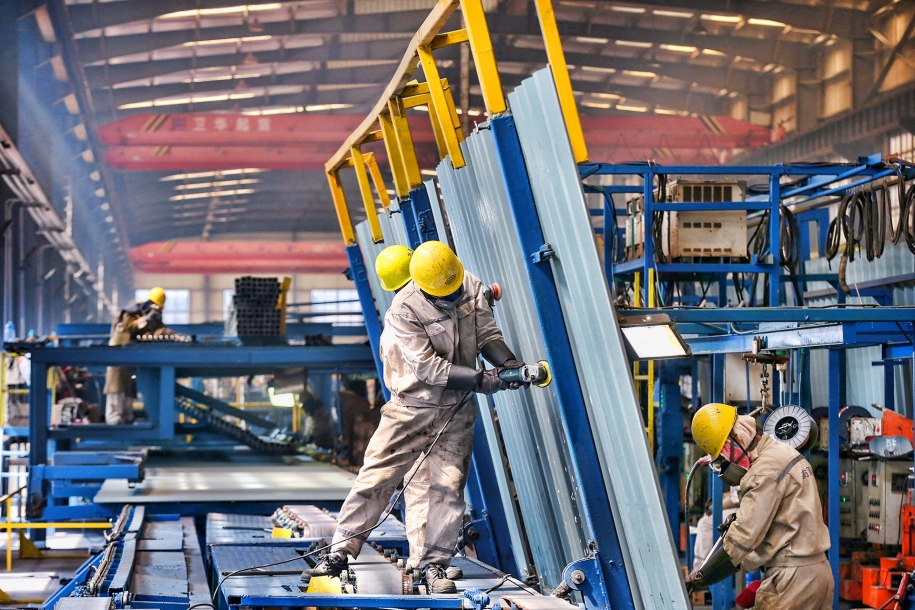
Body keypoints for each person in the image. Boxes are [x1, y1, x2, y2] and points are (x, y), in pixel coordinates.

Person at [302, 241, 526, 593]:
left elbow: (487, 334)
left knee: (447, 488)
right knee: (378, 476)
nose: (453, 298)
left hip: (456, 410)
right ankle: (340, 551)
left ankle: (433, 566)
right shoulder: (404, 309)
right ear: (421, 285)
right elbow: (428, 368)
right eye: (445, 296)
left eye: (455, 291)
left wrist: (508, 364)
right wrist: (482, 380)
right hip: (411, 409)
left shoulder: (466, 284)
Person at [685, 403, 832, 610]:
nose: (725, 467)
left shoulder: (762, 471)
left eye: (723, 458)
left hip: (792, 581)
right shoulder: (780, 451)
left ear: (737, 439)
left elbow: (742, 539)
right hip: (818, 573)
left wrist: (701, 577)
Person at [374, 244, 463, 581]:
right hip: (424, 412)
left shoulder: (395, 322)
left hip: (415, 412)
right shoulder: (407, 322)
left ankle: (427, 560)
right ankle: (424, 562)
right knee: (427, 487)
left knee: (427, 486)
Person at [104, 288, 167, 424]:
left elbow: (159, 330)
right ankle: (114, 416)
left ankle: (127, 415)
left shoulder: (152, 317)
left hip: (131, 355)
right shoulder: (132, 312)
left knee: (129, 385)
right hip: (118, 351)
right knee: (116, 383)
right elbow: (128, 327)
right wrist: (146, 319)